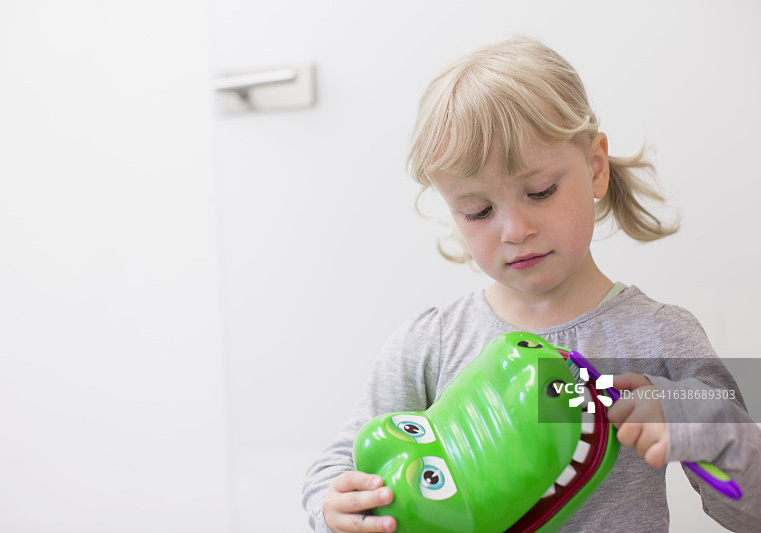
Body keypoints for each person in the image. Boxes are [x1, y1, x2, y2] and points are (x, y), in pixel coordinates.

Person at [302, 36, 761, 533]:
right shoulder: (432, 343)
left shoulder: (658, 336)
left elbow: (749, 509)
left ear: (595, 168)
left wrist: (699, 424)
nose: (515, 230)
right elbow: (340, 465)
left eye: (540, 191)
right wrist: (337, 508)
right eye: (478, 211)